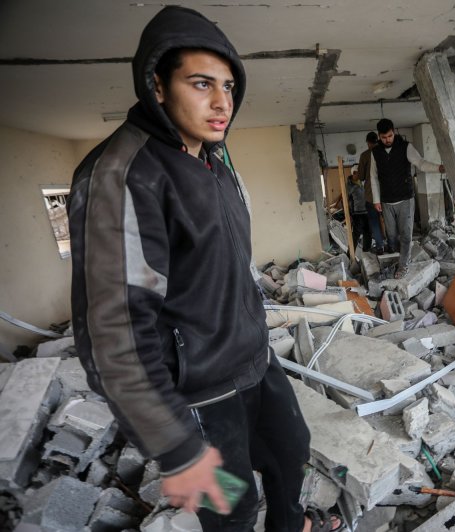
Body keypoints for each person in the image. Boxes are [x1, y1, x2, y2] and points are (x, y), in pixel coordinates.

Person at [67, 7, 337, 532]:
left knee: (291, 453)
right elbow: (113, 337)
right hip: (200, 395)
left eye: (229, 87)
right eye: (201, 83)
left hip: (252, 362)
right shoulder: (124, 173)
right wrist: (174, 444)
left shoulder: (214, 159)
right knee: (230, 507)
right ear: (158, 86)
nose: (222, 103)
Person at [370, 118, 444, 278]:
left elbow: (421, 163)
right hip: (386, 200)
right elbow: (373, 177)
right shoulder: (375, 153)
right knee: (391, 236)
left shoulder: (405, 147)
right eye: (383, 137)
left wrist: (438, 168)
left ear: (393, 132)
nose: (387, 140)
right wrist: (376, 200)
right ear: (379, 136)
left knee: (406, 234)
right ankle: (401, 257)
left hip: (405, 198)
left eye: (389, 136)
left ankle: (403, 266)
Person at [358, 131, 385, 254]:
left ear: (368, 143)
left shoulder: (365, 155)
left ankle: (380, 247)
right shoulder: (384, 152)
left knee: (374, 221)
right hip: (386, 193)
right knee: (390, 221)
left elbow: (361, 176)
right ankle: (392, 244)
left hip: (371, 195)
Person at [347, 164, 371, 251]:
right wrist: (349, 214)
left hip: (367, 211)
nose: (361, 175)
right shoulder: (349, 186)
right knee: (356, 235)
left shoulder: (362, 182)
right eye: (358, 173)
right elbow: (346, 200)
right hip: (357, 214)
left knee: (368, 233)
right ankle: (350, 254)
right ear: (354, 173)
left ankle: (366, 252)